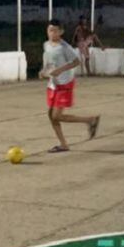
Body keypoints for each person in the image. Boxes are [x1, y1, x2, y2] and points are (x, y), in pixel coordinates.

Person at [41, 19, 100, 153]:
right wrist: (44, 71)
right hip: (53, 84)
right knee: (51, 115)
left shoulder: (64, 47)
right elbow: (49, 62)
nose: (52, 33)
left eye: (55, 30)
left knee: (57, 116)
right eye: (50, 30)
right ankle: (63, 144)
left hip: (65, 83)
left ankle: (90, 120)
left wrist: (60, 70)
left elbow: (76, 62)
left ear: (61, 32)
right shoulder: (46, 45)